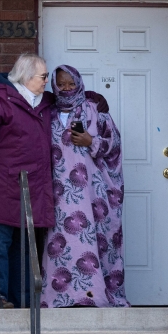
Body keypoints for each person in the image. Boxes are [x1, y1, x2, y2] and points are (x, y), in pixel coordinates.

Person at [0, 54, 109, 309]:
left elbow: (66, 97)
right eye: (43, 77)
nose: (46, 82)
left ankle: (22, 301)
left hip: (31, 188)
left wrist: (92, 97)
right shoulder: (0, 100)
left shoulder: (43, 101)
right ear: (27, 77)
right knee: (0, 243)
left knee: (25, 247)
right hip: (3, 185)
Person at [40, 65, 129, 308]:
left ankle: (96, 296)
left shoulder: (94, 110)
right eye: (61, 84)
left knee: (96, 241)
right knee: (62, 243)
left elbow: (116, 145)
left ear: (79, 83)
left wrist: (92, 141)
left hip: (93, 195)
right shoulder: (47, 113)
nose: (67, 88)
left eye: (71, 83)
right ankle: (62, 297)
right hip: (60, 194)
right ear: (54, 86)